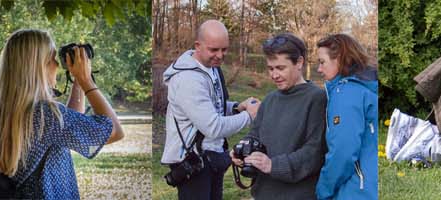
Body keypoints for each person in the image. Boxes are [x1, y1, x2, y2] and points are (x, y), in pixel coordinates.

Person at [0, 30, 123, 199]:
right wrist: (86, 80)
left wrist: (77, 80)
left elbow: (70, 125)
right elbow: (114, 132)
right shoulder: (45, 115)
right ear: (38, 67)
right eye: (53, 59)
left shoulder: (4, 112)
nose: (57, 65)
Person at [162, 20, 255, 200]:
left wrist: (237, 107)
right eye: (214, 50)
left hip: (212, 158)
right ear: (198, 46)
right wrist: (249, 115)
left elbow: (213, 107)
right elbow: (213, 126)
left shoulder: (211, 68)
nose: (220, 55)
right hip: (193, 163)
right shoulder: (188, 79)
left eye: (224, 49)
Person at [233, 33, 329, 200]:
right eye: (270, 68)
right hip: (263, 193)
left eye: (280, 68)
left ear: (299, 62)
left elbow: (314, 152)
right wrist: (242, 150)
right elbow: (255, 135)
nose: (274, 75)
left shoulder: (318, 99)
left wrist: (272, 165)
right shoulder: (270, 99)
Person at [313, 33, 382, 199]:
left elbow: (342, 152)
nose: (319, 69)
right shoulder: (366, 87)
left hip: (356, 191)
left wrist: (323, 190)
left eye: (322, 62)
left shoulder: (346, 94)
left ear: (340, 59)